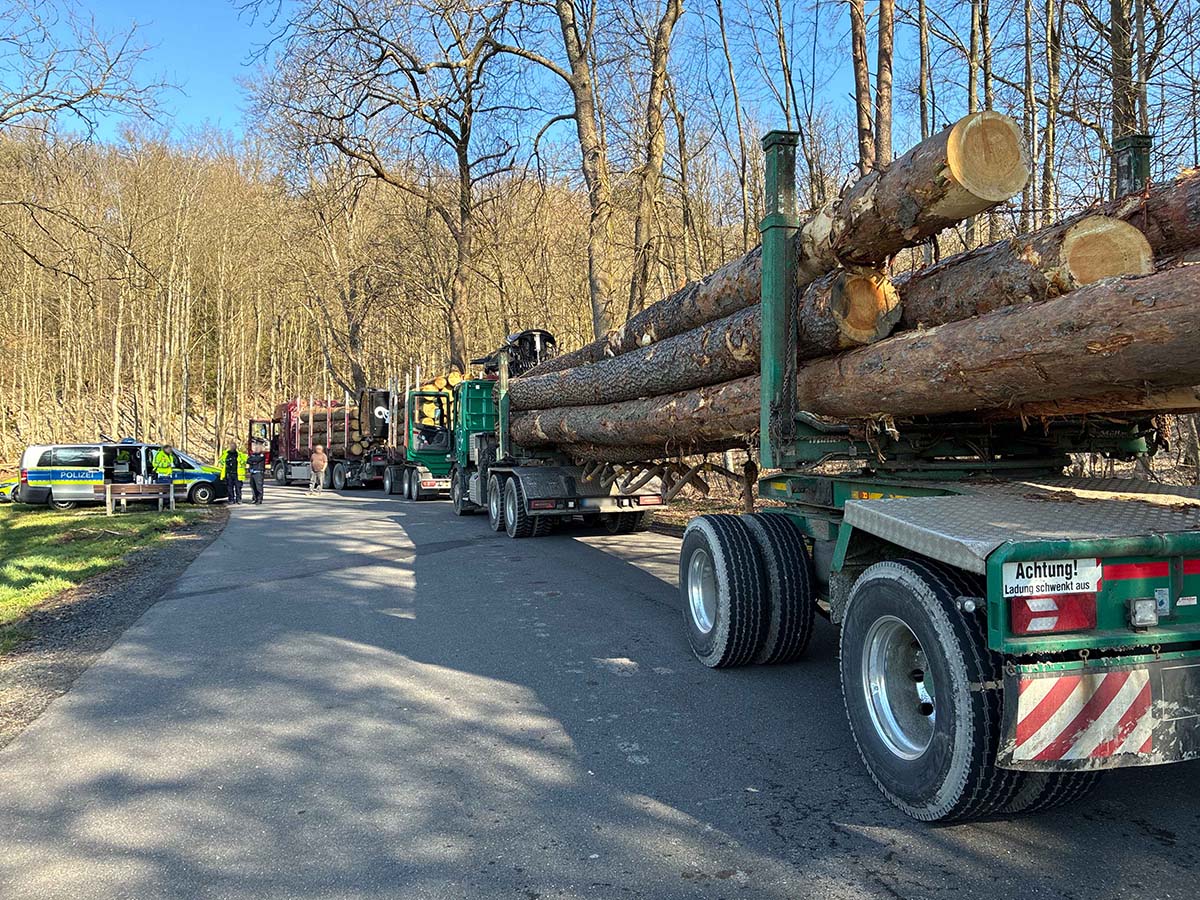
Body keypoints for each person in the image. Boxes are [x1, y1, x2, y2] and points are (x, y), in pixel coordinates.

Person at [247, 441, 266, 505]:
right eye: (256, 447)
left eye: (258, 447)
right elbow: (248, 460)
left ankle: (259, 499)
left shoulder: (262, 455)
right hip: (252, 472)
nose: (256, 449)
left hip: (259, 473)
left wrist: (253, 461)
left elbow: (257, 460)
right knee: (253, 487)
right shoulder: (253, 454)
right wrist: (253, 461)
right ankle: (254, 499)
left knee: (259, 487)